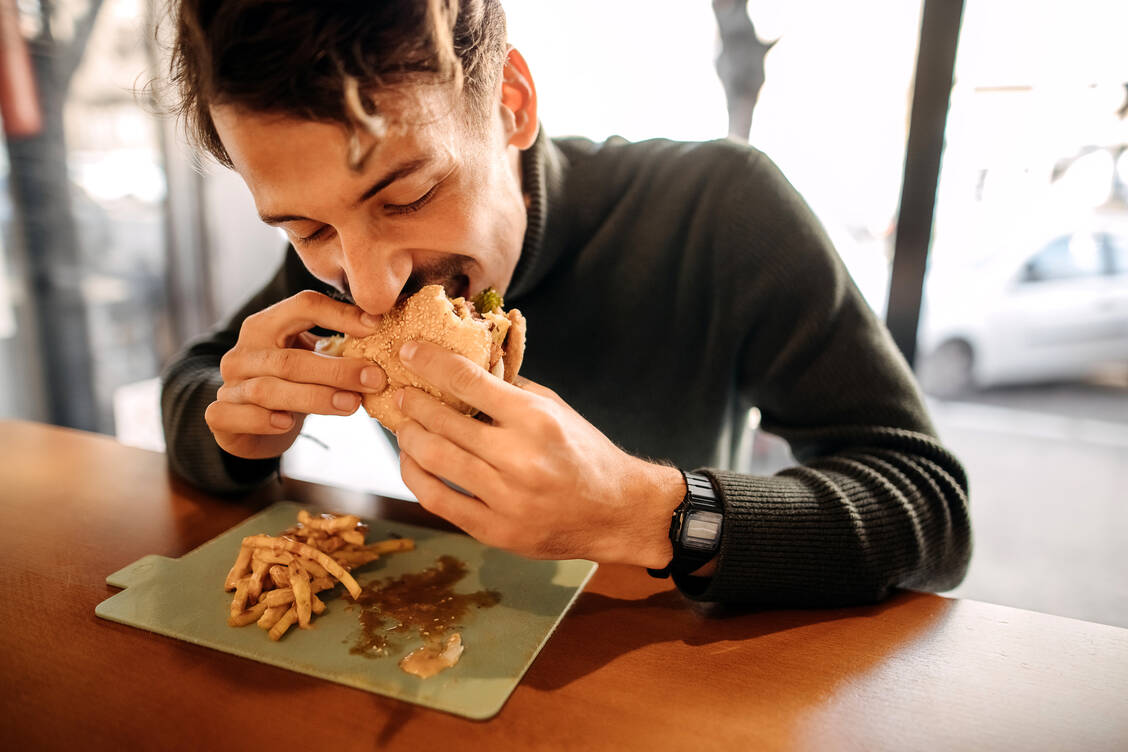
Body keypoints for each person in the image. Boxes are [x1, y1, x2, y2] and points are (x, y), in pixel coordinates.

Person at [160, 0, 971, 605]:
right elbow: (200, 379)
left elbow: (930, 508)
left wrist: (651, 515)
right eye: (305, 227)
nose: (367, 284)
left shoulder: (721, 210)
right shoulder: (342, 260)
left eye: (407, 196)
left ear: (512, 103)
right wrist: (238, 429)